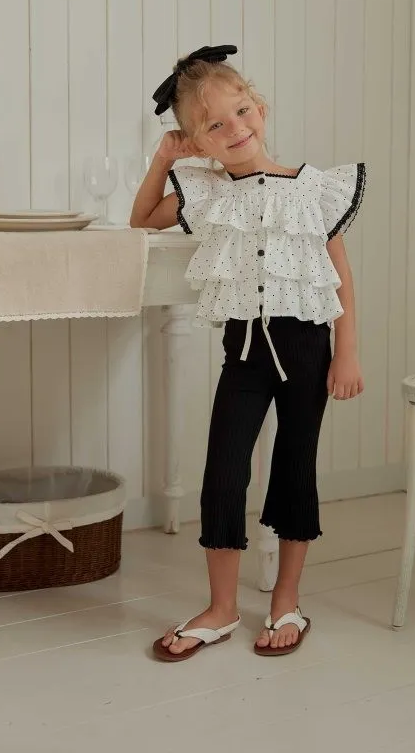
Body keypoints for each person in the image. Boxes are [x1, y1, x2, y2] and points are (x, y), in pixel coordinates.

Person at [130, 44, 366, 661]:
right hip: (244, 352)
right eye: (213, 125)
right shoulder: (208, 193)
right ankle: (221, 608)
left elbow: (340, 276)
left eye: (241, 111)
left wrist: (347, 352)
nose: (234, 129)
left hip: (308, 346)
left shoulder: (314, 189)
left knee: (295, 466)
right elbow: (142, 218)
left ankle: (287, 599)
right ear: (196, 141)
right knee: (224, 470)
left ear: (259, 107)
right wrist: (163, 158)